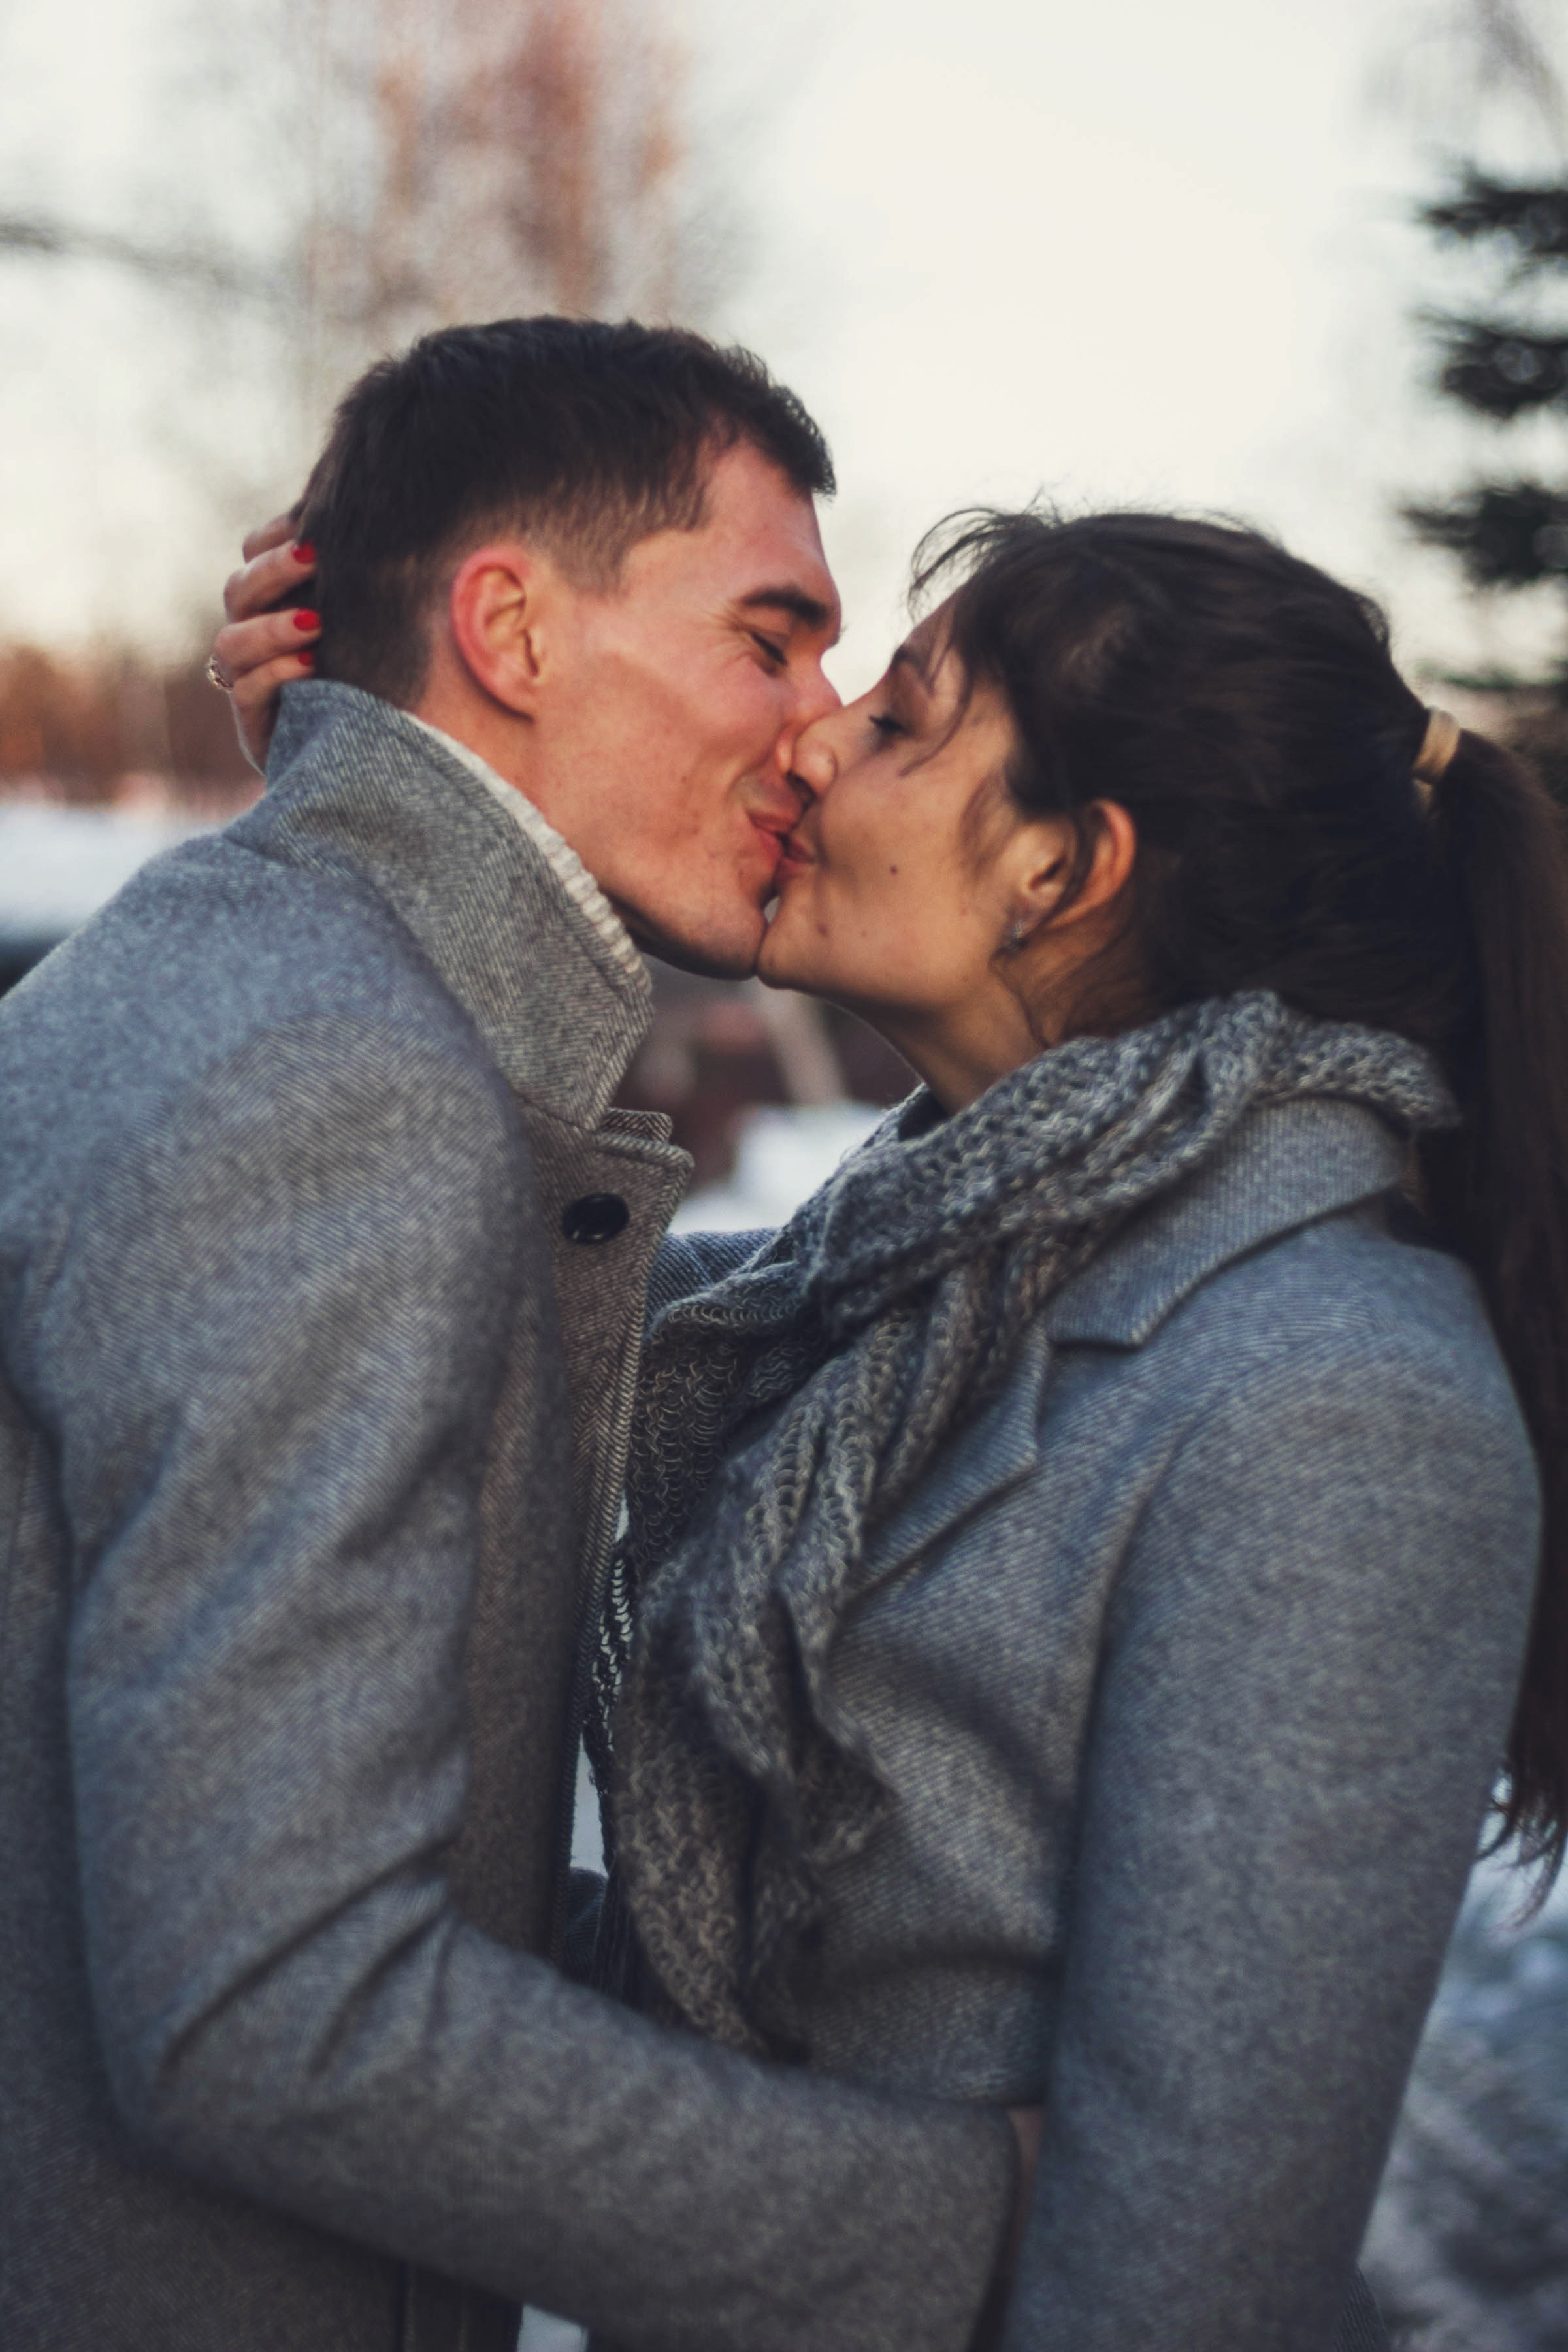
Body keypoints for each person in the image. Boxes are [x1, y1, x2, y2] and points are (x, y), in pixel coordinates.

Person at [216, 480, 1560, 2345]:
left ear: (1061, 868)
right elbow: (479, 1315)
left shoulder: (1338, 1403)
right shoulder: (891, 1287)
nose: (813, 733)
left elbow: (1187, 2276)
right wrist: (397, 807)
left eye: (904, 719)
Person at [0, 318, 1024, 2352]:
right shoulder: (330, 1081)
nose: (817, 729)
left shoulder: (273, 988)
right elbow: (271, 2003)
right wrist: (958, 2229)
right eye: (770, 634)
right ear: (512, 629)